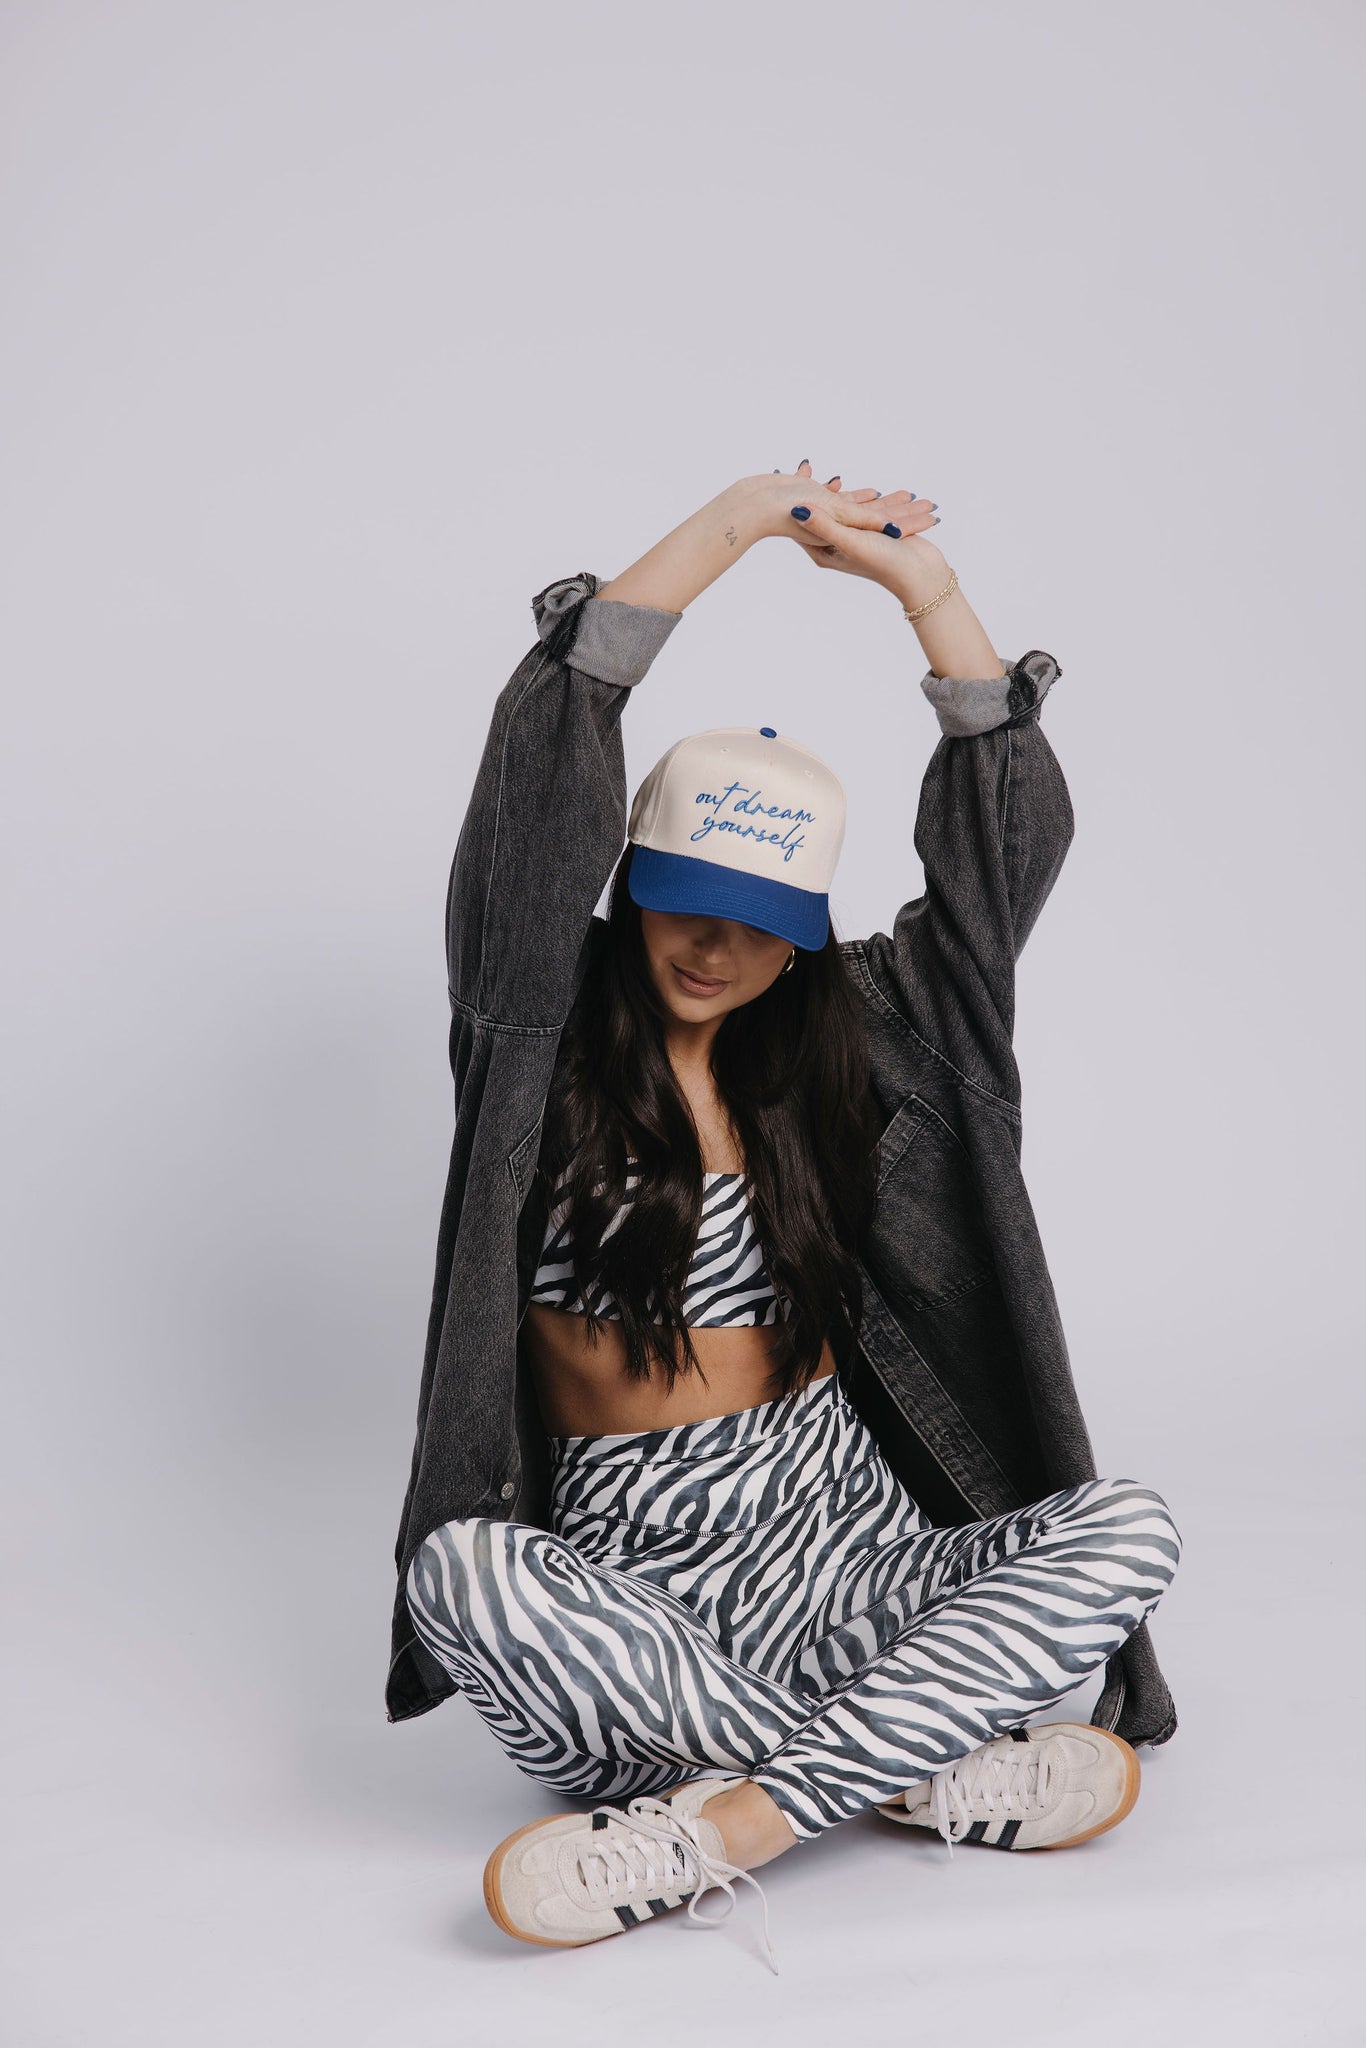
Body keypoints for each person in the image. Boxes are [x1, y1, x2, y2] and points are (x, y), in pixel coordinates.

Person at [400, 461, 1183, 1969]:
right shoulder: (531, 1035)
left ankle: (738, 1823)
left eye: (761, 926)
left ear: (806, 936)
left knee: (1128, 1524)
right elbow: (537, 774)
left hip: (851, 1549)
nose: (715, 948)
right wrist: (741, 521)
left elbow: (1000, 866)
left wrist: (923, 588)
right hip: (641, 1604)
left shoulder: (862, 1044)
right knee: (457, 1572)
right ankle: (912, 1769)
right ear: (627, 884)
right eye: (687, 901)